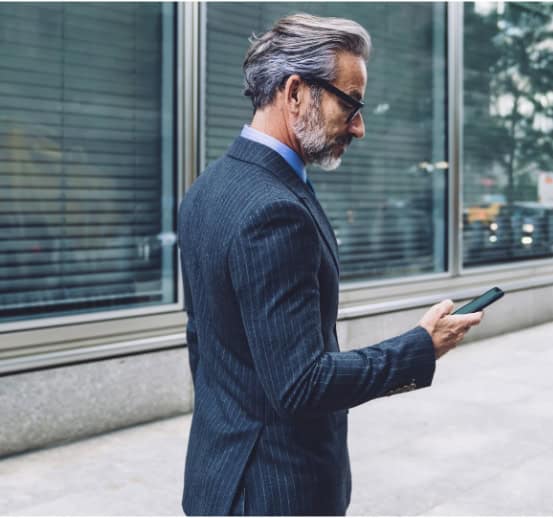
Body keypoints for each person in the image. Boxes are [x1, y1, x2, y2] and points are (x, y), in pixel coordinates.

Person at [177, 14, 483, 516]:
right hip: (276, 492)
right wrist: (419, 348)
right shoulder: (273, 210)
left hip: (220, 477)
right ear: (295, 92)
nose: (359, 127)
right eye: (351, 103)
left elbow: (205, 344)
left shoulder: (208, 188)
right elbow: (301, 385)